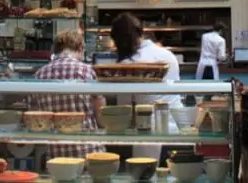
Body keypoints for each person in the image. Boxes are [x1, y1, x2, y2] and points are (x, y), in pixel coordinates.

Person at [110, 12, 182, 162]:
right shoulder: (168, 55)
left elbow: (124, 109)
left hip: (148, 135)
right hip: (177, 130)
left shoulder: (127, 64)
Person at [30, 29, 105, 158]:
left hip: (56, 152)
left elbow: (35, 114)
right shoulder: (87, 71)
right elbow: (101, 114)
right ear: (80, 48)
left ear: (55, 49)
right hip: (89, 149)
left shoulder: (40, 74)